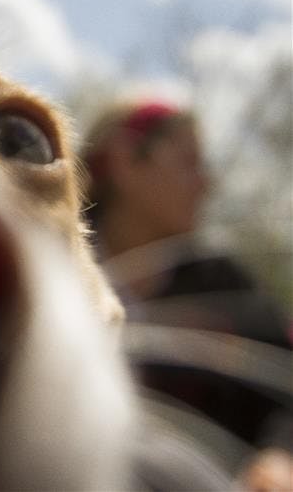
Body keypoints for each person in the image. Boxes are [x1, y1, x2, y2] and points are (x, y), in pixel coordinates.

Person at [81, 100, 292, 490]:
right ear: (126, 161)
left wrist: (281, 456)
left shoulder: (226, 289)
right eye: (189, 161)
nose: (206, 183)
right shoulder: (48, 266)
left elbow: (283, 376)